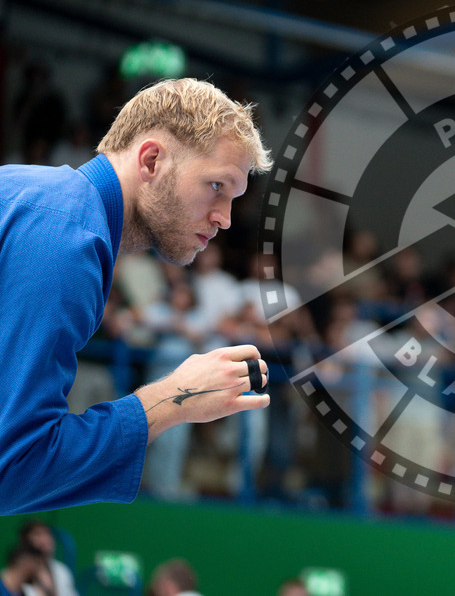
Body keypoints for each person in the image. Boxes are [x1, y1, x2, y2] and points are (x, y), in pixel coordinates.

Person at [0, 78, 274, 515]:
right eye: (216, 187)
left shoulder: (38, 198)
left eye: (234, 198)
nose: (224, 218)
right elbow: (12, 466)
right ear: (151, 160)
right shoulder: (67, 239)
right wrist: (173, 399)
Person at [16, 521, 76, 596]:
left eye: (47, 534)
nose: (45, 539)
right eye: (38, 534)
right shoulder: (18, 573)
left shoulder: (62, 570)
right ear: (26, 540)